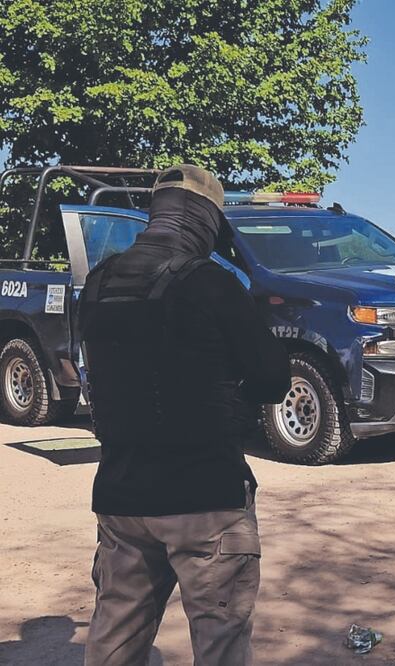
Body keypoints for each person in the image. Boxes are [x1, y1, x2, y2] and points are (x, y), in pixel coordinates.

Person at [78, 165, 290, 665]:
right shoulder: (213, 285)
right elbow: (272, 381)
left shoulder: (99, 282)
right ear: (207, 220)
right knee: (220, 644)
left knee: (114, 641)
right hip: (206, 500)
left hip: (121, 496)